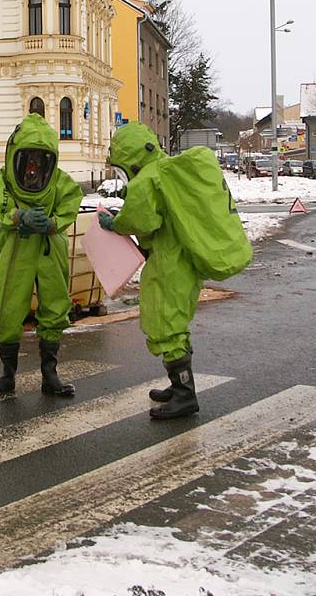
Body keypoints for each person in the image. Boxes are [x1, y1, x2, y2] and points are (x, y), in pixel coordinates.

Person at [98, 122, 251, 420]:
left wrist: (115, 223)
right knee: (176, 320)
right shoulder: (165, 171)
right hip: (183, 259)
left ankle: (184, 394)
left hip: (169, 262)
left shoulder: (147, 179)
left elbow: (141, 221)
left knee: (165, 322)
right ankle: (179, 385)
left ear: (131, 159)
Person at [0, 113, 83, 398]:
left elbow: (71, 201)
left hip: (49, 248)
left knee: (54, 306)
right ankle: (7, 376)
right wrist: (18, 217)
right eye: (28, 159)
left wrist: (52, 223)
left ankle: (50, 375)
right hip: (17, 250)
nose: (33, 167)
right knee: (10, 309)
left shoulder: (59, 181)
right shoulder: (7, 180)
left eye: (40, 160)